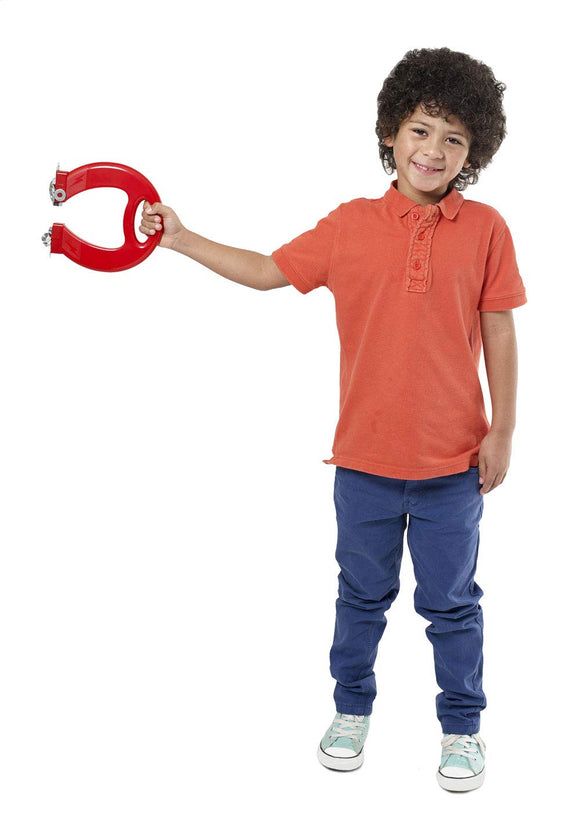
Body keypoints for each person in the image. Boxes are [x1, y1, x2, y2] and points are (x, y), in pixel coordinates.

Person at [139, 46, 527, 792]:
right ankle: (351, 710)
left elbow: (502, 329)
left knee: (451, 604)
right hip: (365, 465)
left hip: (453, 468)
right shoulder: (351, 226)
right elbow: (264, 272)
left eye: (454, 139)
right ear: (391, 131)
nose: (433, 151)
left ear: (474, 150)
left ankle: (462, 728)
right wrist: (181, 238)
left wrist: (503, 430)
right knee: (360, 595)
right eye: (420, 130)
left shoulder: (486, 229)